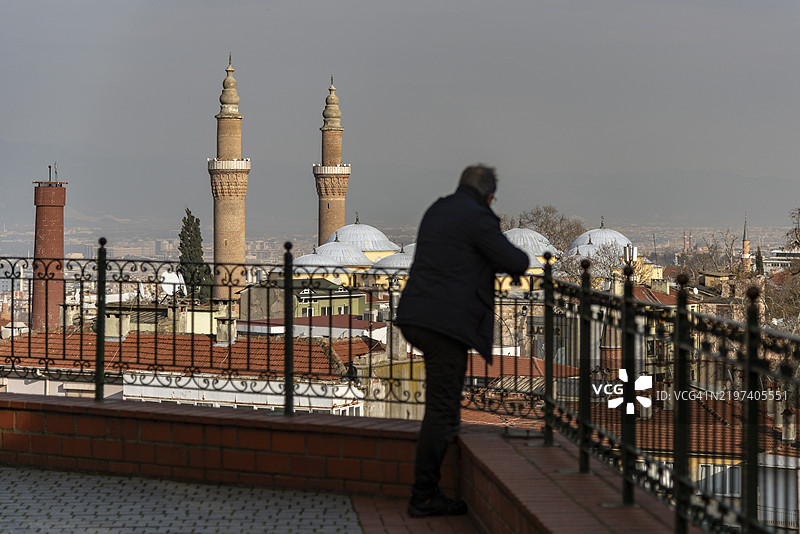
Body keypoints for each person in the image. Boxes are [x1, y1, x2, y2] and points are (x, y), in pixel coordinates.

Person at [396, 164, 529, 517]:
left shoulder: (439, 208)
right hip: (444, 324)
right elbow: (514, 260)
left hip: (416, 315)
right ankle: (423, 495)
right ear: (488, 195)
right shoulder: (477, 216)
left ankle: (434, 484)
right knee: (441, 409)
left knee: (443, 404)